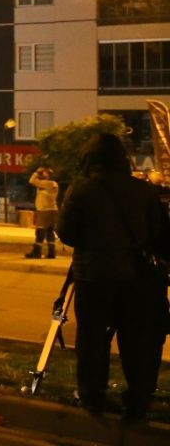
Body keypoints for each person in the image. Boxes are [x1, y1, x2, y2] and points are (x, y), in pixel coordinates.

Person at [57, 133, 170, 422]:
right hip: (137, 279)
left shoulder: (80, 190)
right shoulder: (144, 191)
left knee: (93, 340)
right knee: (137, 341)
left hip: (94, 276)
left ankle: (93, 397)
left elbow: (67, 232)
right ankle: (138, 401)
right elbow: (159, 235)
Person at [26, 166, 59, 259]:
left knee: (40, 232)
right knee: (49, 231)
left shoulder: (47, 183)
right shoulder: (51, 184)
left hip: (45, 211)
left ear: (49, 175)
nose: (42, 174)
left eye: (45, 173)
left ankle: (36, 252)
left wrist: (37, 172)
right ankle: (51, 253)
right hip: (52, 210)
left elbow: (31, 181)